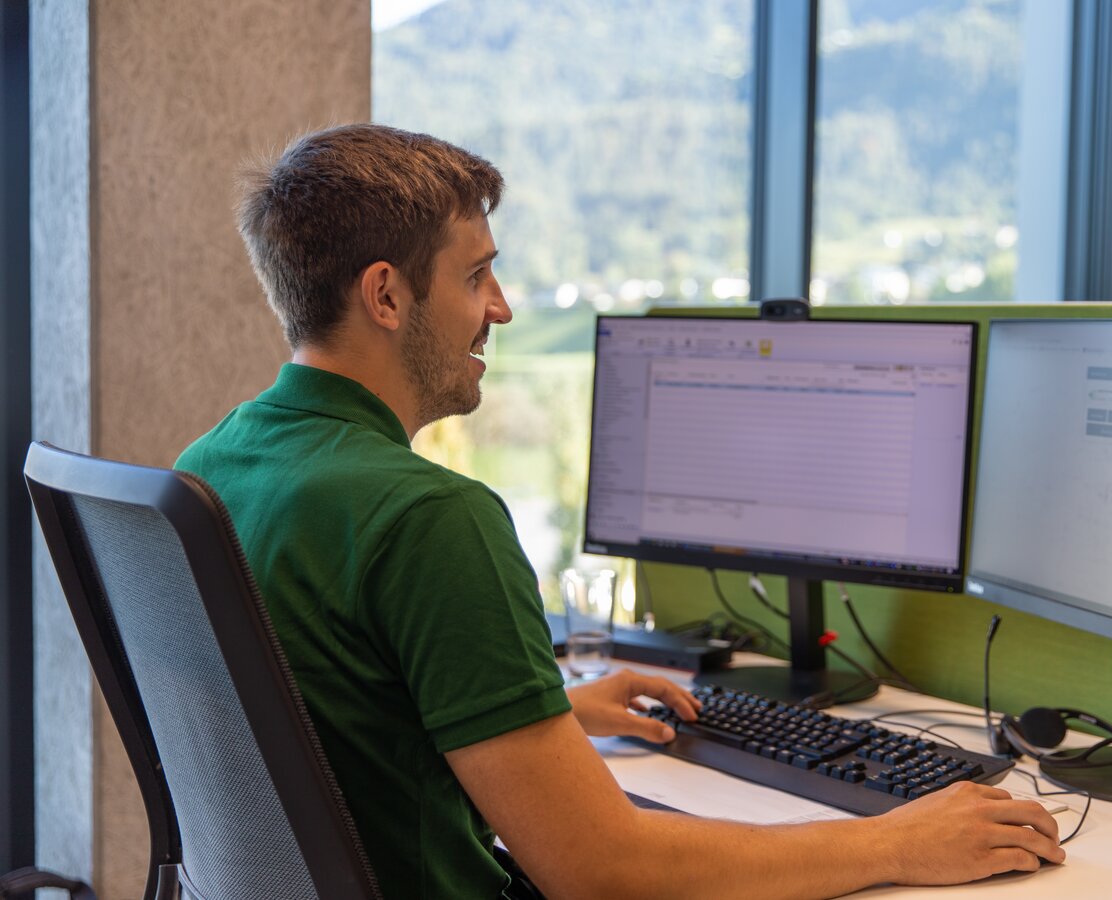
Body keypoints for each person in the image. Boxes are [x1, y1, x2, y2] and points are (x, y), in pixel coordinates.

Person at [177, 123, 1064, 899]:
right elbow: (604, 871)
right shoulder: (427, 517)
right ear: (385, 295)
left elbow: (333, 717)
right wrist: (895, 841)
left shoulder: (207, 470)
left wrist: (543, 719)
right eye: (476, 275)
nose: (500, 308)